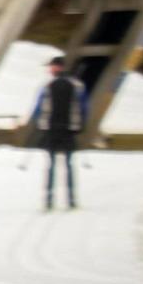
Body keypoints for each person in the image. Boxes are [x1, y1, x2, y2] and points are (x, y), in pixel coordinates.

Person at [28, 55, 87, 210]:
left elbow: (39, 107)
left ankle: (49, 199)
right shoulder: (77, 85)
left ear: (57, 67)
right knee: (68, 164)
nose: (50, 69)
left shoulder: (47, 85)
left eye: (52, 66)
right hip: (69, 129)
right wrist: (81, 125)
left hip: (52, 129)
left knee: (52, 164)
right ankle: (71, 199)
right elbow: (83, 107)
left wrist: (37, 123)